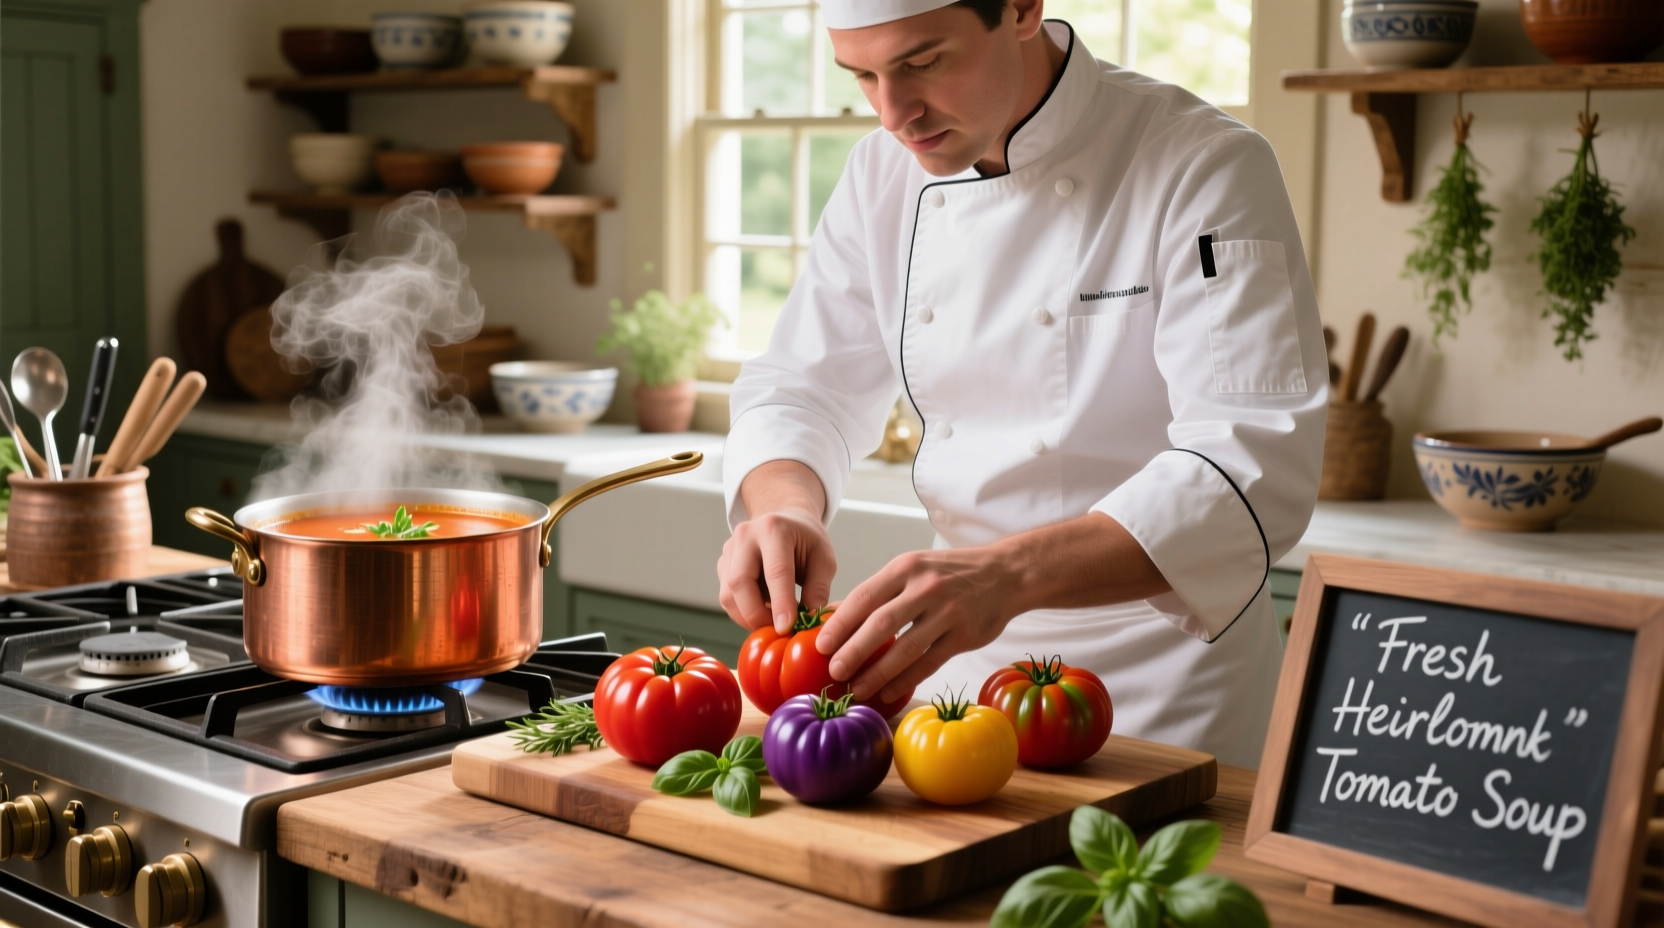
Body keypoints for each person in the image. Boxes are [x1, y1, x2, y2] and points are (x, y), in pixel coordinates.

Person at [716, 0, 1327, 768]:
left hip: (1166, 682)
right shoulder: (880, 174)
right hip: (957, 684)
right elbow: (801, 388)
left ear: (1021, 9)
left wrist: (1004, 575)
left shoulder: (1201, 164)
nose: (894, 113)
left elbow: (1252, 463)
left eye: (922, 62)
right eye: (863, 76)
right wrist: (785, 510)